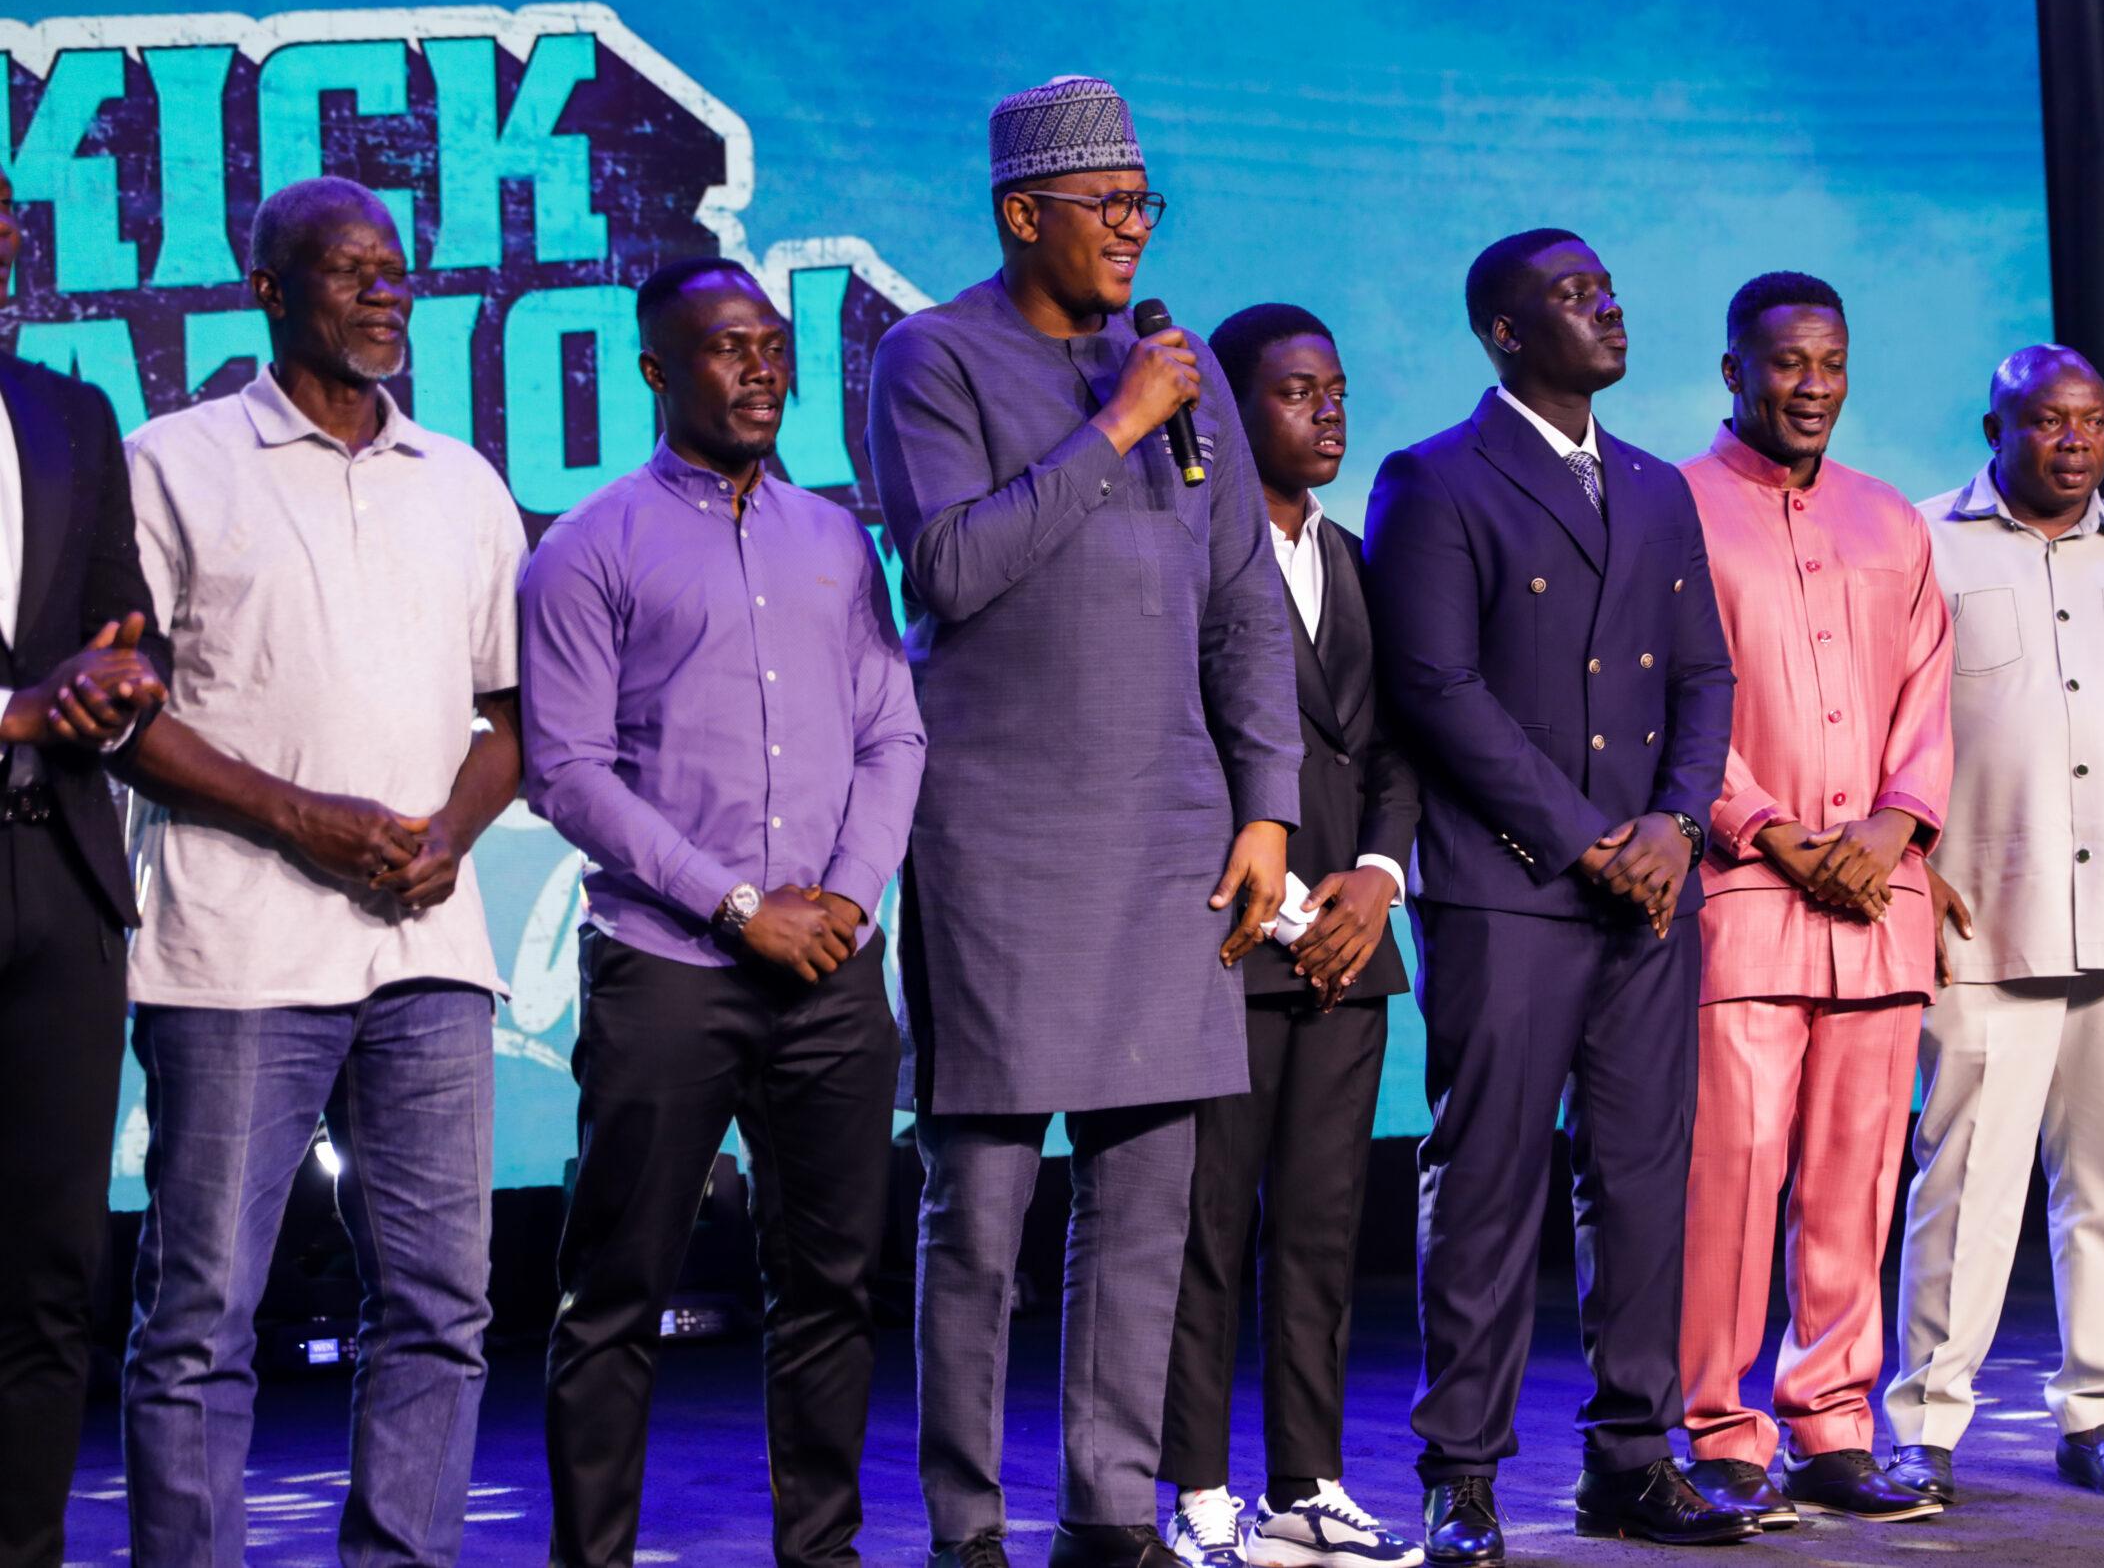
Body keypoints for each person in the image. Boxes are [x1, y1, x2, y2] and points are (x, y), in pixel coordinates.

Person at [865, 76, 1300, 1568]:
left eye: (1141, 203)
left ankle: (1111, 1512)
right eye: (1105, 204)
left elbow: (1243, 604)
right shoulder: (932, 358)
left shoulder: (1185, 372)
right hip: (998, 838)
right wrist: (1117, 425)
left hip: (1171, 832)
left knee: (1147, 1204)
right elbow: (951, 568)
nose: (1131, 229)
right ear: (1020, 214)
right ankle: (967, 1523)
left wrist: (1268, 806)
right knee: (981, 1210)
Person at [116, 177, 526, 1567]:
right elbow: (122, 712)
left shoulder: (461, 481)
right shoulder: (174, 461)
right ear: (270, 289)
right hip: (236, 953)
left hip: (429, 952)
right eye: (348, 269)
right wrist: (303, 818)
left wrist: (450, 832)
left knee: (442, 1308)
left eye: (394, 268)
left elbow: (513, 711)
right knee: (201, 1318)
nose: (382, 290)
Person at [521, 257, 927, 1567]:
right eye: (726, 346)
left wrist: (847, 898)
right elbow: (566, 770)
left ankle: (822, 1551)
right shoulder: (588, 547)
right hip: (666, 968)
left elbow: (892, 730)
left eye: (772, 344)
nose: (761, 367)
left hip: (831, 974)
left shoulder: (835, 539)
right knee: (615, 1292)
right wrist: (739, 905)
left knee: (830, 1287)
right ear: (655, 369)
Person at [1364, 228, 1751, 1563]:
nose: (1608, 309)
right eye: (1574, 296)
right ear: (1505, 331)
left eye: (1609, 290)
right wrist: (1592, 841)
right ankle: (1461, 1474)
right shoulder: (1433, 477)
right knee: (1485, 1182)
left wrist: (1678, 826)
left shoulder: (1652, 485)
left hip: (1649, 892)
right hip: (1508, 888)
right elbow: (1437, 690)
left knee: (1641, 1180)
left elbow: (1704, 675)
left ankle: (1633, 1460)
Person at [1884, 345, 2104, 1505]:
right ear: (1995, 427)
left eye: (2091, 418)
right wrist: (1909, 861)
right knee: (1965, 1189)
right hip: (1987, 919)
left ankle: (2099, 1416)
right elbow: (1878, 719)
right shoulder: (1922, 540)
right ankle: (1925, 1426)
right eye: (2046, 419)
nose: (2074, 439)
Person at [1676, 271, 1952, 1526]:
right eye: (1788, 362)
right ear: (1734, 369)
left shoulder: (1892, 519)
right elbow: (1667, 699)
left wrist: (1891, 828)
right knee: (1731, 1182)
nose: (1812, 386)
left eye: (1831, 363)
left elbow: (1930, 696)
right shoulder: (1675, 507)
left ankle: (1833, 1426)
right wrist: (1771, 831)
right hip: (1745, 897)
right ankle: (1719, 1430)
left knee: (1854, 1183)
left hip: (1879, 905)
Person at [1158, 304, 1422, 1568]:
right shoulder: (1185, 556)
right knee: (1206, 1231)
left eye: (1338, 390)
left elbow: (1395, 748)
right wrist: (1288, 903)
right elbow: (1175, 747)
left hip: (1350, 952)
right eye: (1296, 391)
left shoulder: (1359, 560)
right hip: (1232, 937)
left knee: (1320, 1231)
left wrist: (1376, 876)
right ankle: (1198, 1492)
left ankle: (1304, 1485)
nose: (1328, 413)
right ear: (1224, 409)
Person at [0, 162, 174, 1568]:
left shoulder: (68, 413)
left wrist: (123, 680)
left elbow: (127, 619)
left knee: (51, 1269)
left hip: (59, 879)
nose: (1, 234)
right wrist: (14, 708)